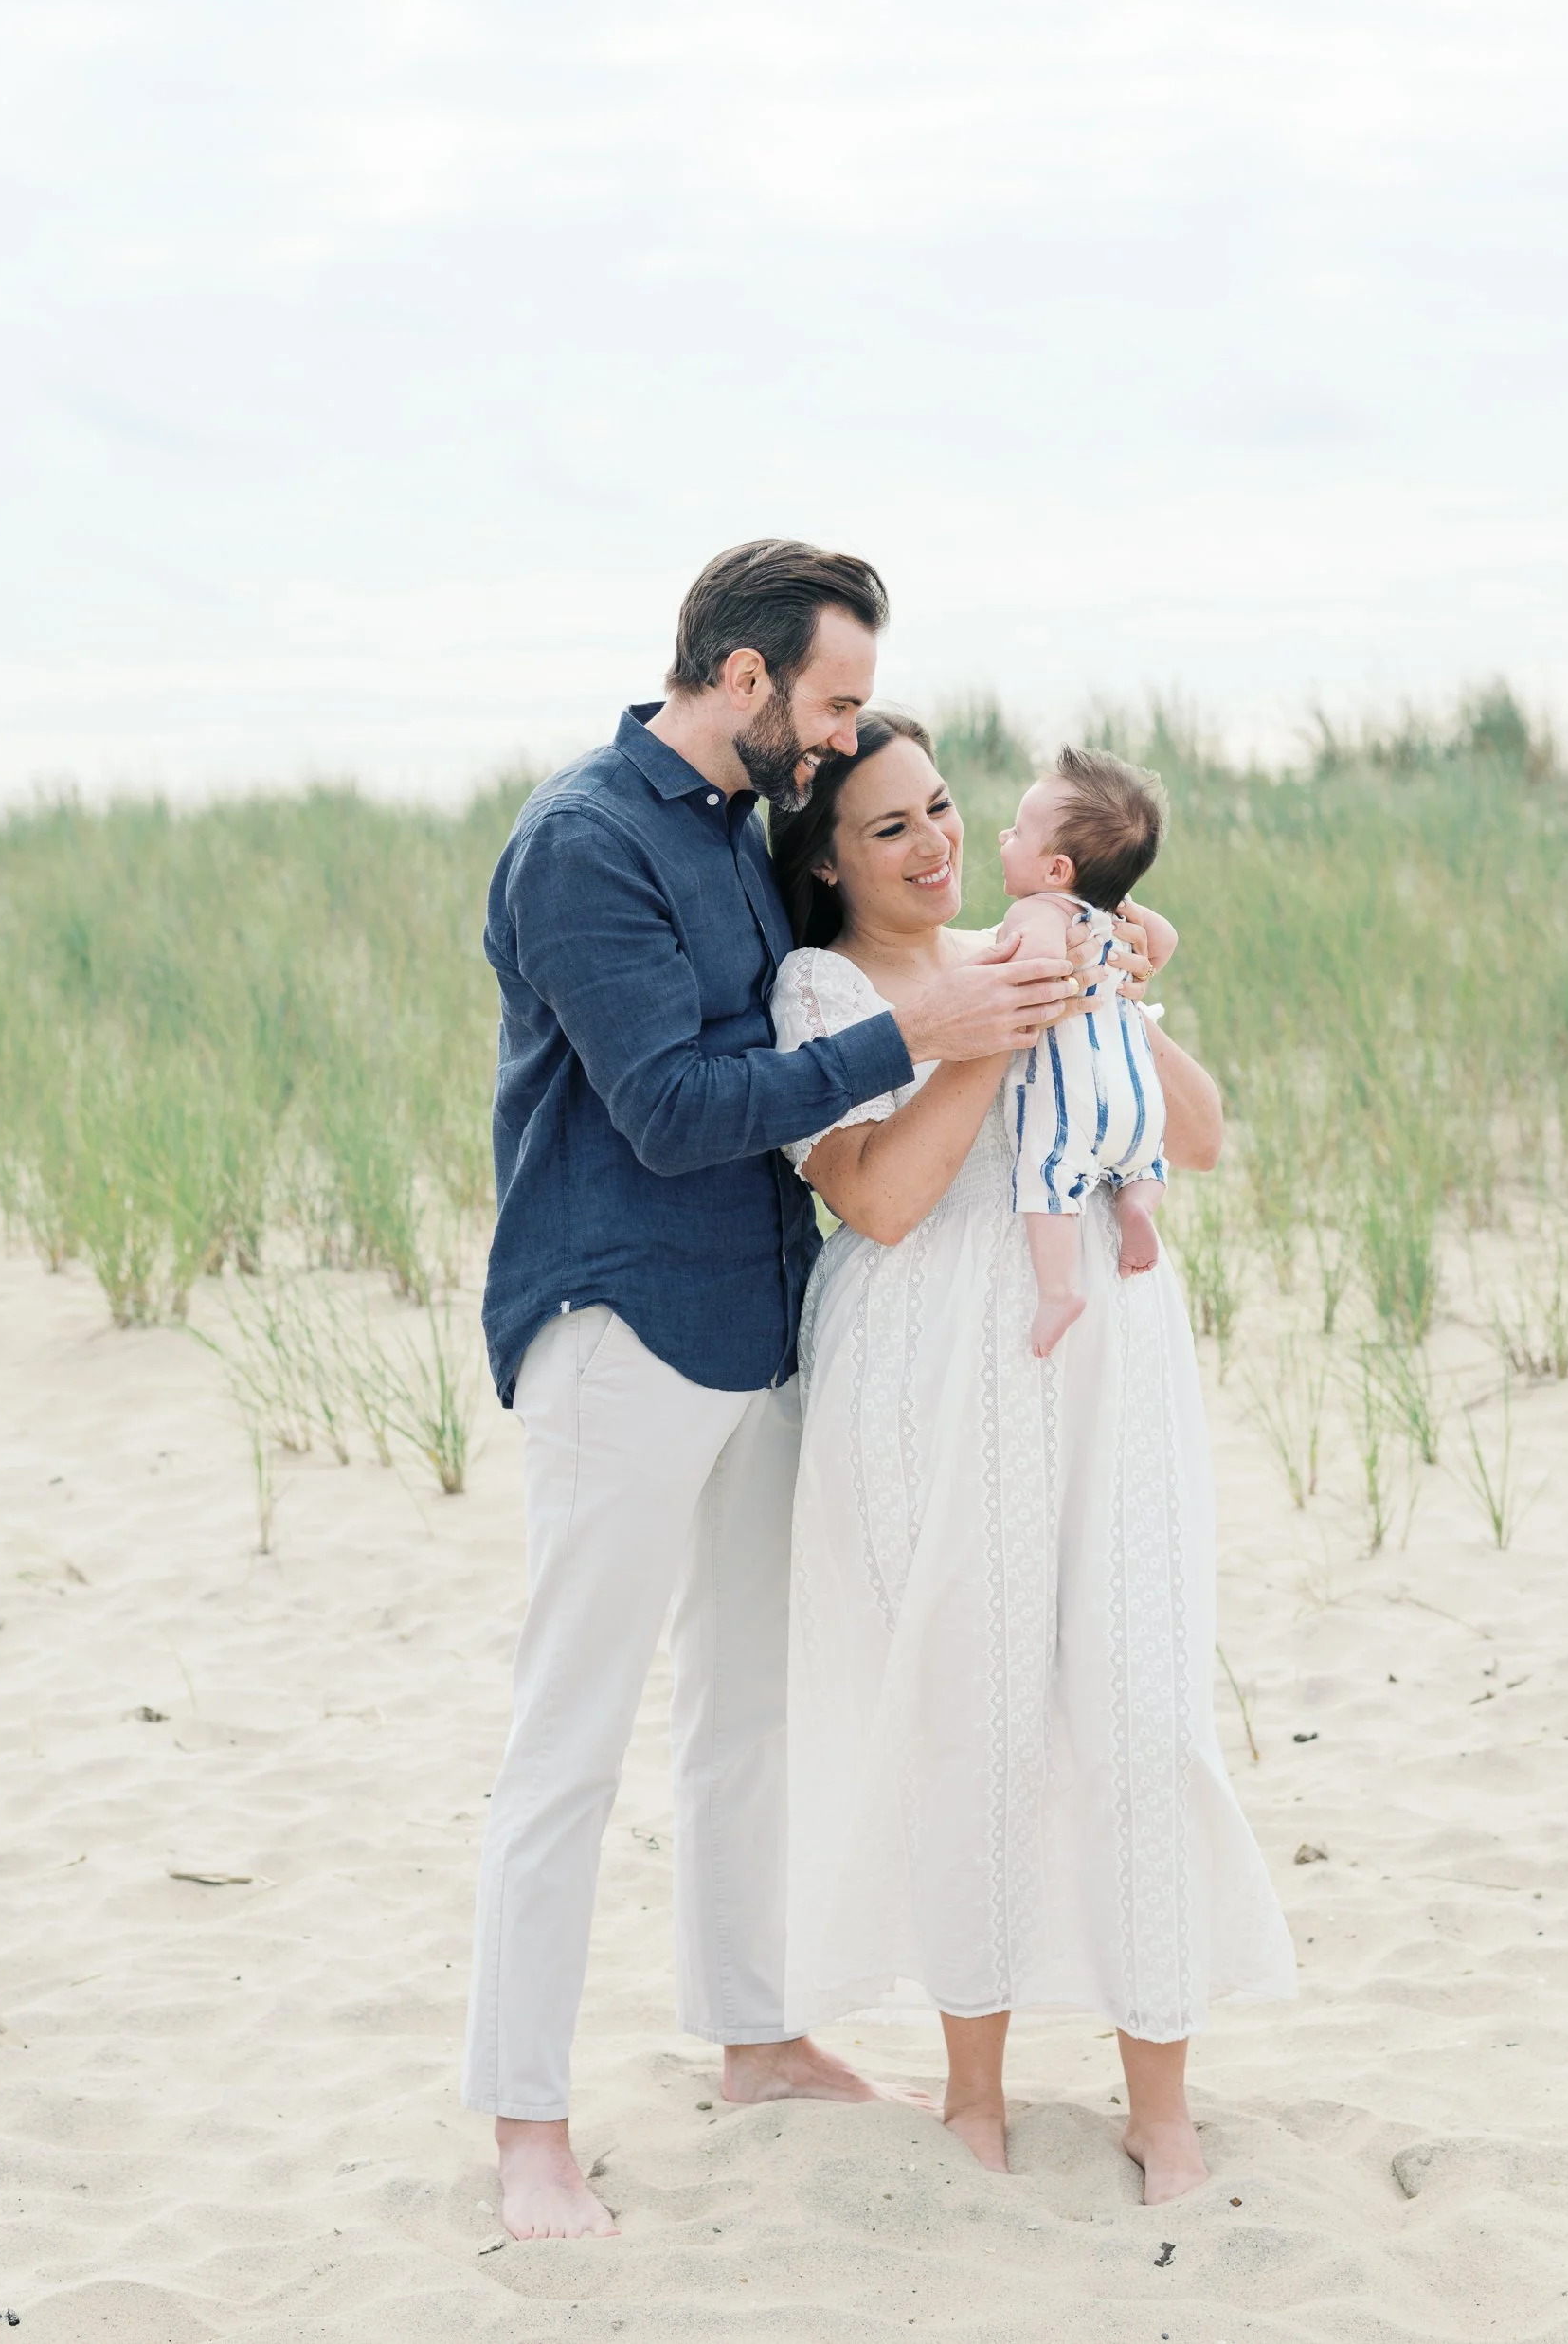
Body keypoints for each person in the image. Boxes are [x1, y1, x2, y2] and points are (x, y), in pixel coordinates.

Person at [461, 541, 1107, 2240]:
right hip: (616, 1324)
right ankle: (528, 2124)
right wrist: (935, 1030)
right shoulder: (582, 842)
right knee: (569, 1744)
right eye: (822, 704)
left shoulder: (733, 835)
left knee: (746, 1716)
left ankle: (756, 2037)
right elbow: (674, 1107)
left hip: (761, 1325)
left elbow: (871, 955)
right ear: (740, 680)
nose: (831, 745)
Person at [768, 711, 1297, 2201]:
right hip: (933, 1370)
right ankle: (976, 2096)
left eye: (941, 808)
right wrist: (986, 1023)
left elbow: (1190, 1142)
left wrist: (1116, 996)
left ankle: (1161, 2103)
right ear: (826, 863)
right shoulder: (819, 987)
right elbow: (872, 1201)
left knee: (1139, 1708)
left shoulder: (1064, 941)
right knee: (972, 1719)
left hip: (1108, 1367)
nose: (934, 842)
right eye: (887, 829)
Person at [997, 747, 1178, 1357]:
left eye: (1018, 832)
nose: (1004, 836)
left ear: (1056, 871)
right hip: (1136, 1095)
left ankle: (1058, 1290)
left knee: (1046, 1176)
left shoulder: (1037, 908)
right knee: (1148, 1163)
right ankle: (1136, 1203)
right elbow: (1165, 941)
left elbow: (1040, 963)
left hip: (1075, 1095)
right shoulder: (1117, 916)